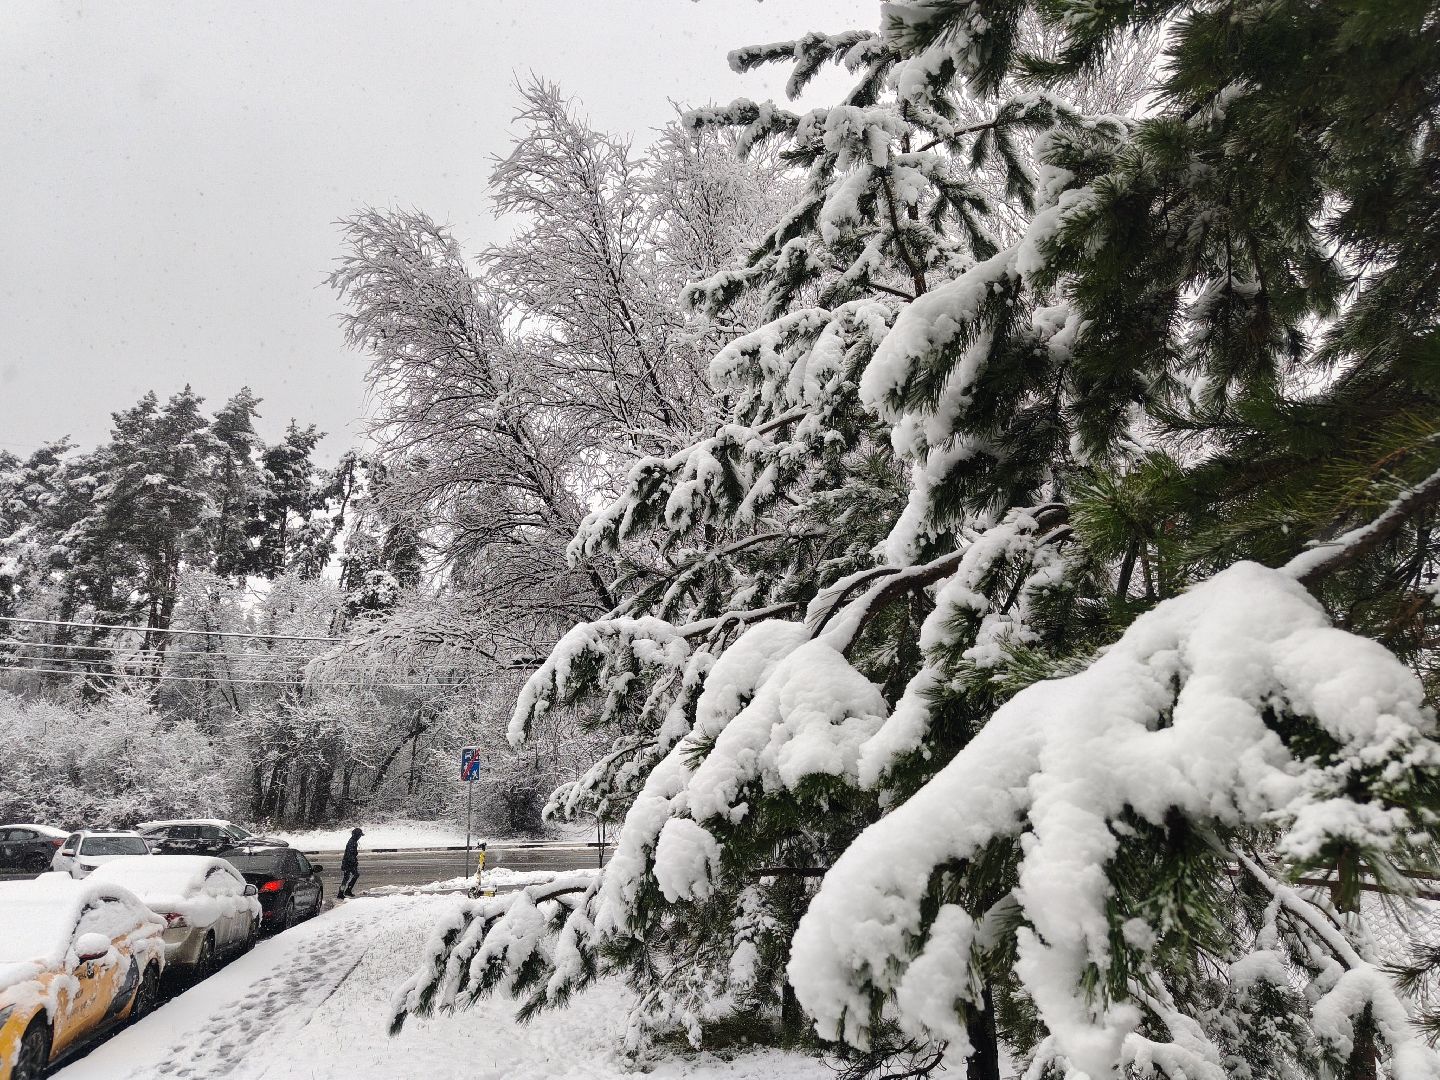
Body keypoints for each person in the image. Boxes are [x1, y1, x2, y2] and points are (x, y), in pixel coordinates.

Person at [338, 827, 363, 899]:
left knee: (347, 877)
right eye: (359, 835)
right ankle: (345, 891)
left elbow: (351, 854)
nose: (360, 837)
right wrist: (354, 862)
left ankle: (344, 891)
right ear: (357, 835)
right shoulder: (351, 842)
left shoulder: (353, 841)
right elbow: (350, 854)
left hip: (348, 863)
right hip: (348, 863)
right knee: (352, 876)